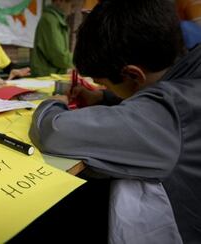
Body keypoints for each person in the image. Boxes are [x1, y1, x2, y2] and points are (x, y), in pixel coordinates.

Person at [29, 0, 200, 243]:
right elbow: (153, 91)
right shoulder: (190, 65)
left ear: (132, 74)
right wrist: (103, 96)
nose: (104, 87)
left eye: (105, 82)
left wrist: (53, 103)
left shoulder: (168, 116)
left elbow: (55, 132)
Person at [30, 0, 75, 77]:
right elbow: (58, 56)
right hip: (47, 76)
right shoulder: (50, 20)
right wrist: (79, 62)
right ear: (59, 1)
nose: (72, 10)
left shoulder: (55, 19)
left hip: (52, 74)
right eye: (71, 5)